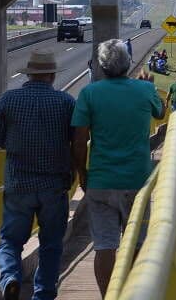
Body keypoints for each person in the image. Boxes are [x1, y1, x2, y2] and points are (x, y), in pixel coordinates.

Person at [72, 39, 165, 297]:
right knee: (137, 242)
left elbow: (79, 141)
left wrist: (82, 174)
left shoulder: (89, 93)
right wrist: (151, 86)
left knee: (104, 246)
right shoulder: (144, 89)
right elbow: (161, 113)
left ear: (102, 66)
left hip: (101, 181)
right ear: (128, 63)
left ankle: (108, 296)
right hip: (137, 181)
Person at [0, 50, 76, 300]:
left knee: (10, 241)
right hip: (54, 184)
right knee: (51, 244)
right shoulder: (66, 102)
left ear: (29, 74)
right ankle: (44, 293)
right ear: (51, 75)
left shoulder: (7, 100)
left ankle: (10, 278)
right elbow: (77, 139)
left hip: (19, 183)